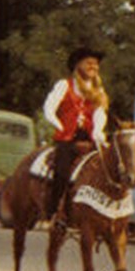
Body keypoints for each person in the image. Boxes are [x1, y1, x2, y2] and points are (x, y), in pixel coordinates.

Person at [43, 47, 109, 225]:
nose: (93, 66)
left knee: (109, 167)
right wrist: (59, 125)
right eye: (89, 62)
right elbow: (49, 108)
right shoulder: (64, 85)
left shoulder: (98, 90)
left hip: (89, 137)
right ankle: (54, 210)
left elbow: (100, 113)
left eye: (95, 64)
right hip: (67, 137)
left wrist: (98, 131)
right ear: (77, 65)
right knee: (62, 171)